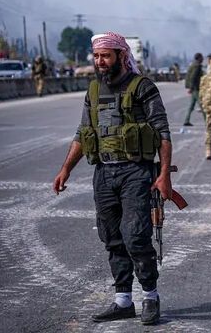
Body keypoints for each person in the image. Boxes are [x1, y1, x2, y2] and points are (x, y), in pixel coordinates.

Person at [52, 32, 172, 325]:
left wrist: (164, 175)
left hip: (136, 172)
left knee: (136, 235)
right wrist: (65, 169)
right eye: (96, 56)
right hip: (104, 173)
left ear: (121, 55)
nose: (100, 61)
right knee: (112, 237)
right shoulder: (94, 90)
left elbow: (163, 134)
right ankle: (122, 300)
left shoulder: (142, 87)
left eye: (106, 55)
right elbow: (83, 133)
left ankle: (150, 296)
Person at [184, 53, 205, 126]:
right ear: (199, 58)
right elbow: (193, 77)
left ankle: (186, 120)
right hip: (196, 88)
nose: (203, 59)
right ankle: (208, 122)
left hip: (194, 88)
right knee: (203, 105)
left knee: (192, 105)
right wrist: (191, 87)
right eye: (202, 58)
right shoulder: (197, 66)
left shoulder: (193, 65)